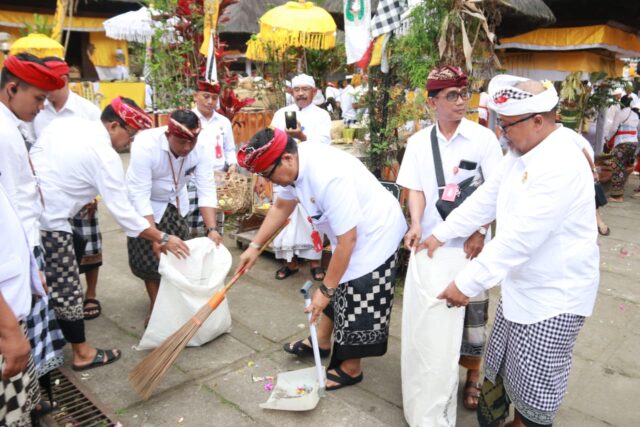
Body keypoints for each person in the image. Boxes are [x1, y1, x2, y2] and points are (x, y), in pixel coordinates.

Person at [423, 75, 599, 427]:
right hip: (522, 287)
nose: (502, 133)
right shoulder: (524, 148)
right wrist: (440, 234)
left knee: (535, 392)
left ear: (538, 120)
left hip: (553, 299)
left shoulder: (561, 162)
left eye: (507, 125)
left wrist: (466, 284)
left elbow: (519, 239)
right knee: (506, 373)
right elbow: (487, 198)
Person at [236, 128, 407, 390]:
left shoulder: (327, 176)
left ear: (288, 159)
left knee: (358, 292)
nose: (271, 182)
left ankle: (351, 368)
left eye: (269, 175)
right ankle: (322, 341)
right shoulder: (291, 167)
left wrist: (325, 290)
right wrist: (255, 246)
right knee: (338, 281)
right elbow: (282, 206)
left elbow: (348, 241)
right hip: (348, 234)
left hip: (376, 234)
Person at [32, 97, 189, 371]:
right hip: (48, 220)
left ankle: (52, 324)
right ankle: (81, 352)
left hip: (32, 208)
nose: (129, 142)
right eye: (128, 134)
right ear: (114, 125)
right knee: (67, 286)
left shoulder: (67, 124)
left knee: (77, 246)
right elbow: (125, 214)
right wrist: (162, 237)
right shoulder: (105, 156)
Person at [396, 65, 503, 418]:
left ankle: (472, 375)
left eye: (464, 93)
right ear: (433, 102)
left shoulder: (483, 139)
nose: (461, 101)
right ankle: (434, 381)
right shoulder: (417, 143)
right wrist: (414, 224)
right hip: (432, 243)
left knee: (473, 317)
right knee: (432, 320)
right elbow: (416, 189)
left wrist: (479, 231)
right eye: (452, 96)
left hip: (470, 248)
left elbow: (496, 189)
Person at [0, 53, 68, 414]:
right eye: (38, 98)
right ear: (12, 88)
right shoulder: (2, 131)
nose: (42, 106)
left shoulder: (12, 124)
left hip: (24, 248)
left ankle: (31, 401)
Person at [126, 109, 222, 322]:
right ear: (168, 135)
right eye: (181, 142)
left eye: (192, 142)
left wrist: (212, 229)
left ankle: (174, 301)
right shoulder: (145, 144)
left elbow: (206, 188)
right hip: (146, 204)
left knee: (179, 255)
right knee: (149, 259)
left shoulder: (201, 147)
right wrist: (155, 236)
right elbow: (139, 194)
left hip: (177, 202)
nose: (187, 148)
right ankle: (155, 305)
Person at [32, 57, 105, 321]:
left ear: (62, 81)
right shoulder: (36, 110)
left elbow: (102, 152)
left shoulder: (86, 111)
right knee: (57, 251)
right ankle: (62, 296)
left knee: (90, 247)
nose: (43, 92)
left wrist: (94, 193)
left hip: (83, 192)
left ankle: (91, 294)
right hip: (47, 195)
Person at [269, 74, 332, 281]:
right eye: (297, 90)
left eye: (306, 89)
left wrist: (302, 138)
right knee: (284, 218)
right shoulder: (281, 114)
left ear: (314, 92)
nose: (301, 94)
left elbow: (324, 144)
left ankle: (315, 263)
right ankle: (290, 263)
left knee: (311, 217)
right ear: (291, 92)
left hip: (310, 172)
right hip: (283, 173)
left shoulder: (322, 115)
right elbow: (271, 142)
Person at [0, 184, 46, 427]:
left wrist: (29, 269)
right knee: (11, 417)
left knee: (23, 407)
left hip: (10, 311)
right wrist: (8, 330)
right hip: (4, 322)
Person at [187, 80, 237, 237]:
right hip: (192, 178)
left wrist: (233, 164)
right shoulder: (188, 119)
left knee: (214, 224)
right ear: (196, 96)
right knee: (191, 222)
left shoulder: (223, 122)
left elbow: (229, 148)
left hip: (218, 178)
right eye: (206, 96)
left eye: (214, 98)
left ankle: (212, 253)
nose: (210, 102)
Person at [603, 94, 638, 202]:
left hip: (622, 143)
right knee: (623, 167)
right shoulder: (636, 115)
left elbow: (613, 129)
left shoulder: (620, 113)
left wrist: (607, 139)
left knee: (618, 168)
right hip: (633, 144)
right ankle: (619, 192)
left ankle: (617, 196)